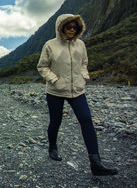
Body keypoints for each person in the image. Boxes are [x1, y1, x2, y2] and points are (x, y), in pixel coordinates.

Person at [36, 14, 118, 176]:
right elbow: (42, 67)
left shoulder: (80, 44)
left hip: (78, 91)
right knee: (56, 120)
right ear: (61, 28)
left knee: (86, 120)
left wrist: (83, 76)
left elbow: (84, 63)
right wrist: (55, 80)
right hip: (55, 91)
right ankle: (52, 147)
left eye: (75, 27)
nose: (72, 30)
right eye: (68, 27)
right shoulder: (50, 45)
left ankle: (96, 164)